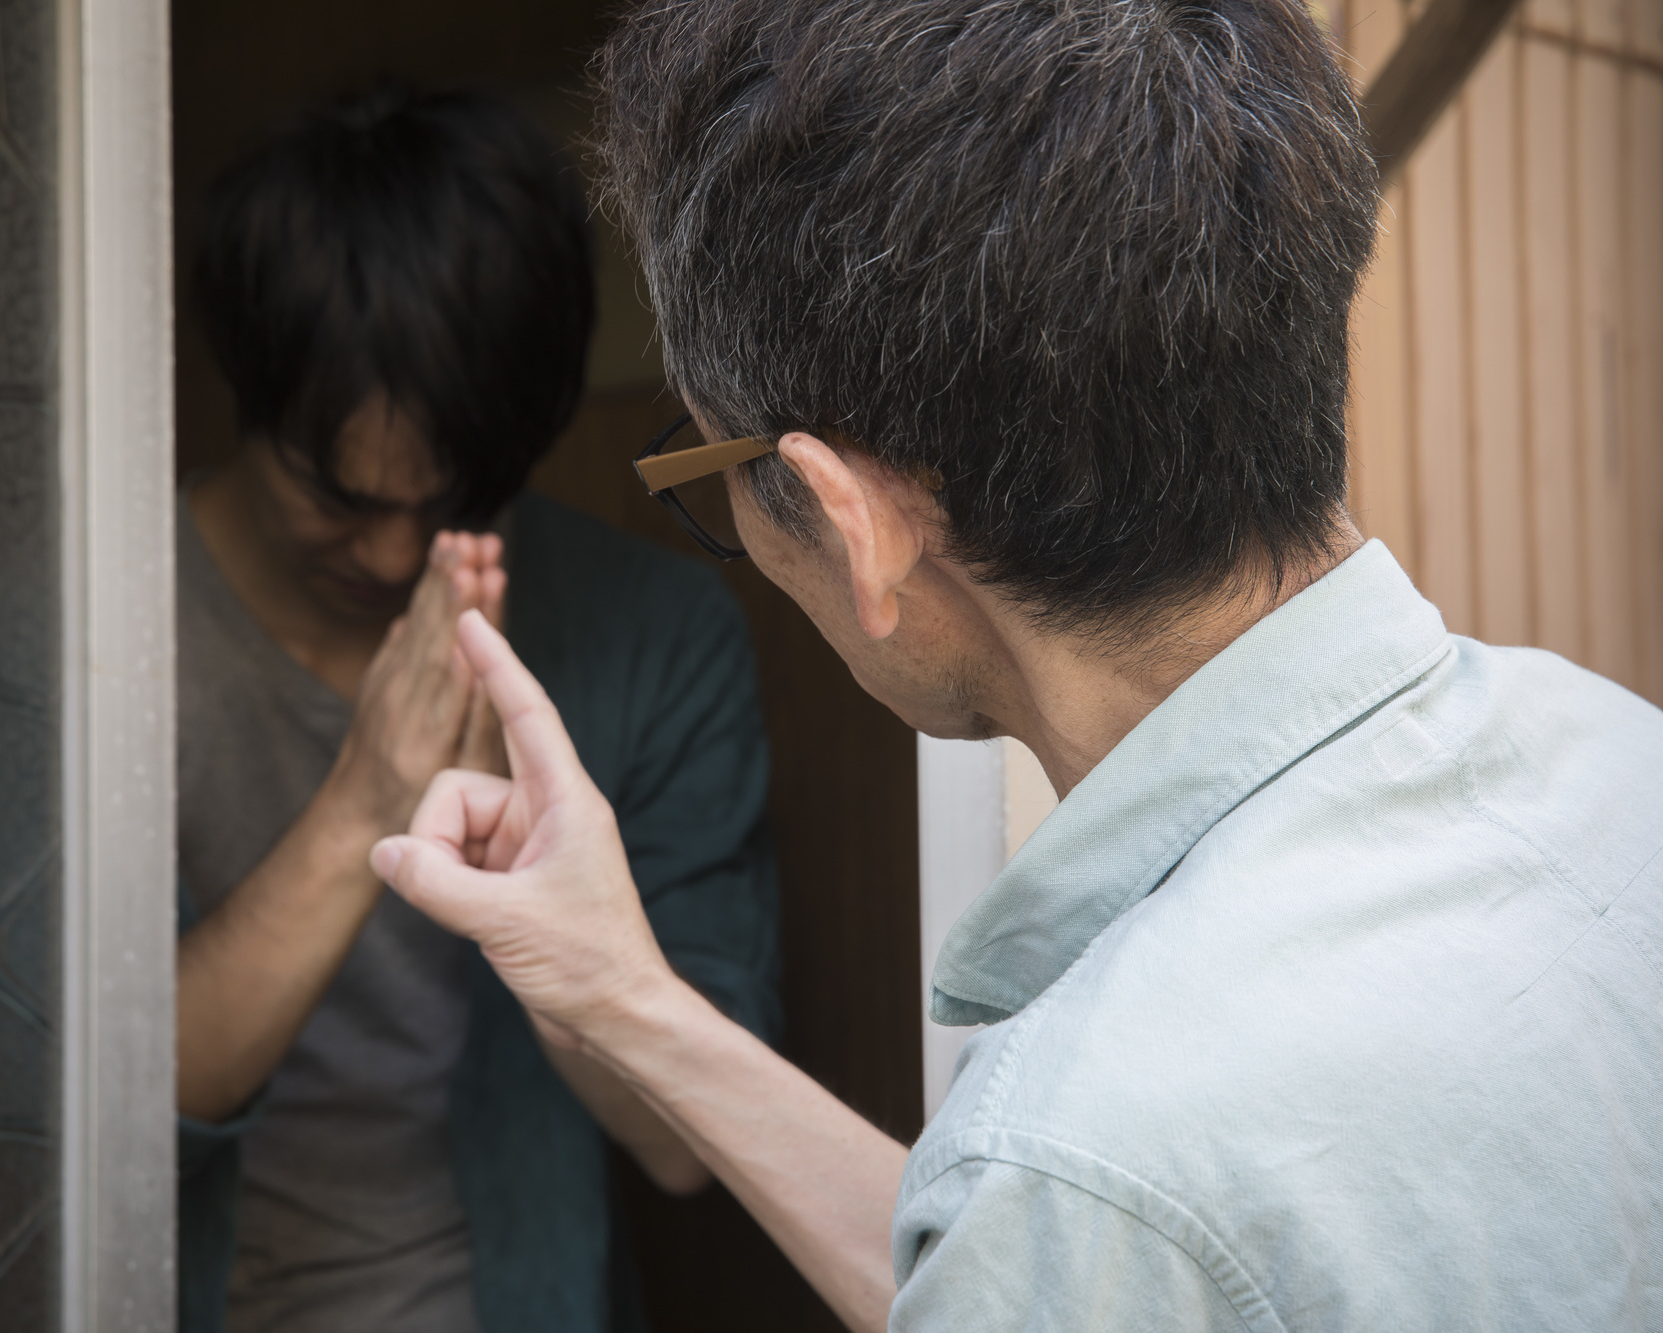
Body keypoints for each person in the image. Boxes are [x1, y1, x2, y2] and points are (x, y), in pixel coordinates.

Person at [368, 2, 1663, 1330]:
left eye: (713, 478)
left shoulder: (1091, 1167)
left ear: (852, 521)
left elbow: (1076, 1230)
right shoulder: (1619, 762)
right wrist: (626, 997)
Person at [173, 88, 780, 1333]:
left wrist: (541, 893)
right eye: (337, 496)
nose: (396, 553)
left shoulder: (649, 634)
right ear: (246, 394)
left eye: (454, 496)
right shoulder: (100, 629)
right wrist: (361, 807)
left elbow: (691, 1146)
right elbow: (63, 1124)